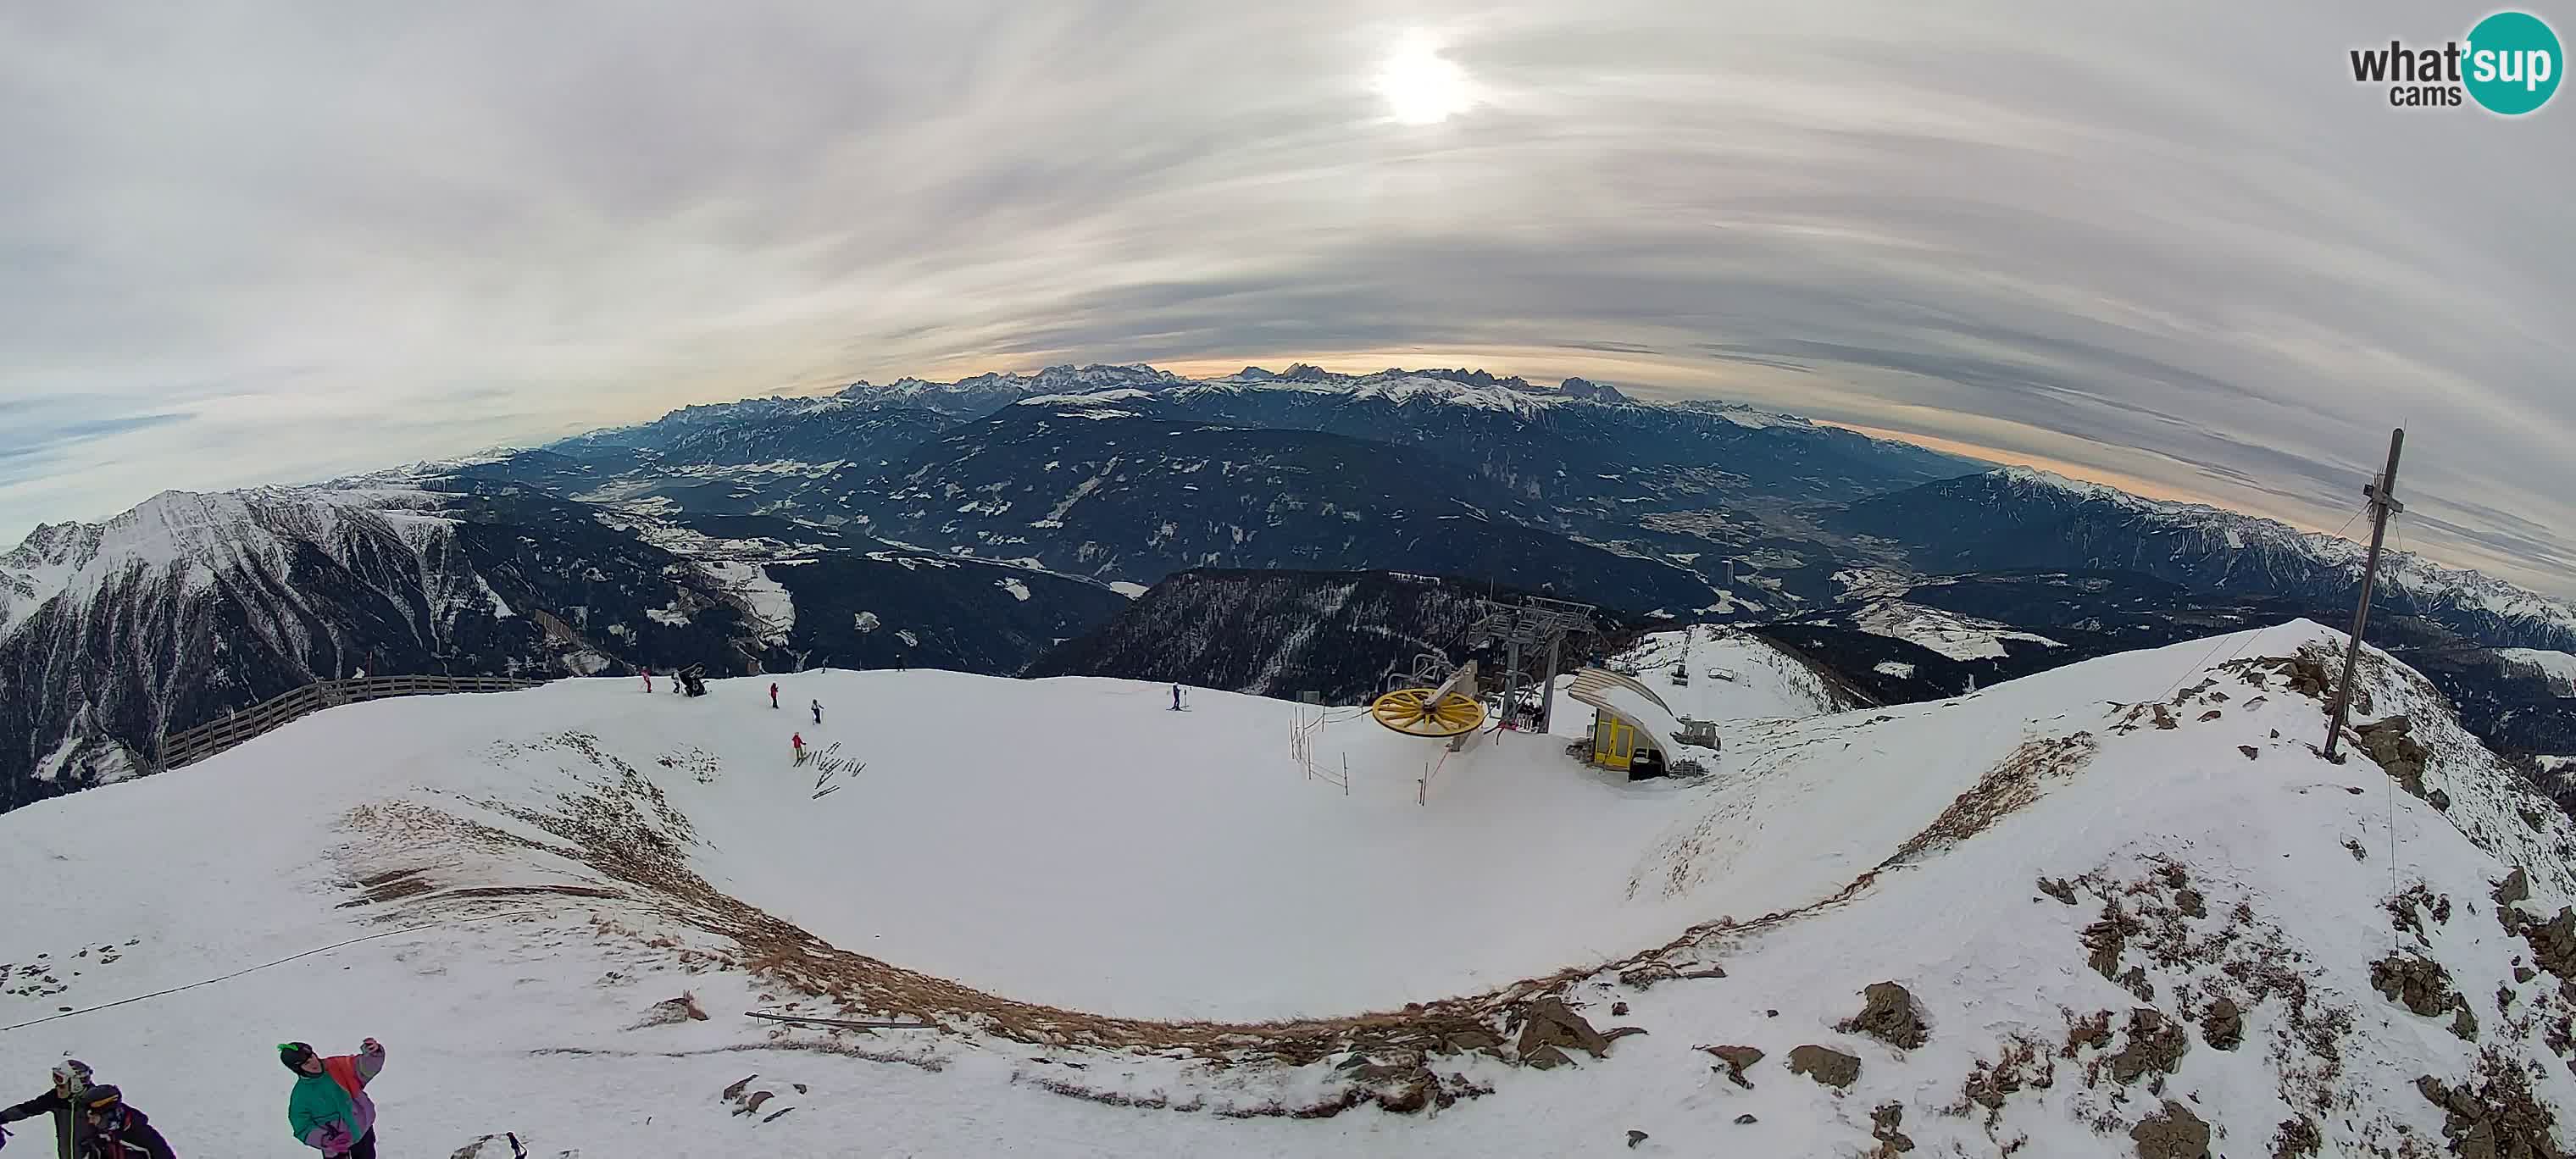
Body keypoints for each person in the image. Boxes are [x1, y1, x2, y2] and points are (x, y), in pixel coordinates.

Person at [281, 1039, 386, 1159]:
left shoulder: (338, 1066)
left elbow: (364, 1068)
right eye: (306, 1063)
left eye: (312, 1057)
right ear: (298, 1070)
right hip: (336, 1145)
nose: (313, 1063)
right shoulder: (301, 1096)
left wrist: (373, 1054)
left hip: (362, 1130)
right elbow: (303, 1128)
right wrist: (327, 1140)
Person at [2, 1060, 95, 1159]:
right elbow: (28, 1108)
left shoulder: (96, 1101)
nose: (57, 1088)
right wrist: (2, 1117)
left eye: (62, 1085)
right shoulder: (55, 1098)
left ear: (76, 1085)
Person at [75, 1085, 175, 1159]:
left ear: (108, 1116)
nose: (90, 1122)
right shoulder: (99, 1135)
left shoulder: (145, 1138)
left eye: (94, 1117)